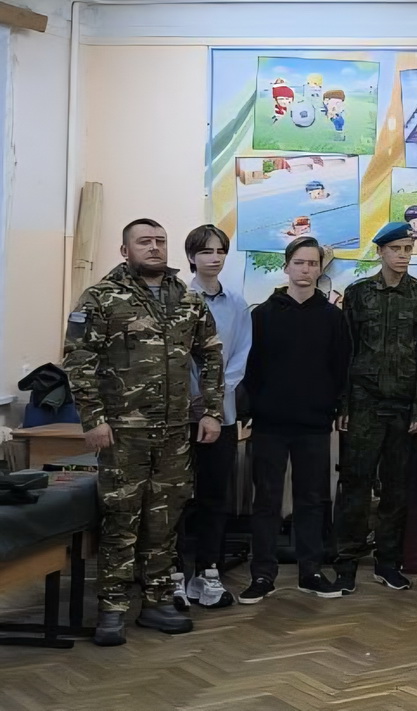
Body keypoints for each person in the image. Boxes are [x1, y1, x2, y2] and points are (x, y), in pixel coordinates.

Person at [63, 217, 225, 645]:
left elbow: (211, 355)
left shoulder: (187, 298)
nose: (154, 247)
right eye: (144, 242)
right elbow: (78, 360)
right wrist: (93, 419)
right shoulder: (101, 297)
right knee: (121, 520)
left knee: (164, 521)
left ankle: (156, 602)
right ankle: (112, 609)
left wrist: (211, 411)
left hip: (174, 433)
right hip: (123, 433)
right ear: (125, 250)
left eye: (160, 241)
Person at [238, 237, 351, 604]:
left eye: (312, 263)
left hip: (314, 424)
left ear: (320, 268)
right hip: (269, 424)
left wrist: (336, 408)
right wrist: (249, 411)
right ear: (286, 266)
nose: (305, 270)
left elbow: (341, 367)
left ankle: (310, 571)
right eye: (299, 263)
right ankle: (262, 574)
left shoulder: (332, 317)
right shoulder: (263, 315)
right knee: (266, 501)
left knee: (312, 500)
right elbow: (250, 368)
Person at [333, 223, 417, 594]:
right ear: (380, 252)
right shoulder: (358, 293)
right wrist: (344, 404)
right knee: (355, 486)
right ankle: (346, 563)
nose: (403, 255)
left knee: (396, 490)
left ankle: (388, 563)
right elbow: (345, 353)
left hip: (403, 408)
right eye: (396, 249)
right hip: (363, 405)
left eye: (408, 249)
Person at [180, 224, 251, 610]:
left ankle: (208, 572)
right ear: (192, 257)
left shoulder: (237, 304)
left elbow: (239, 356)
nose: (214, 258)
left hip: (221, 414)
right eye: (206, 251)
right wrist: (193, 397)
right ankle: (175, 574)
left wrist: (214, 397)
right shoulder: (179, 299)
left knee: (214, 496)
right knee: (176, 498)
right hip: (179, 416)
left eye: (220, 251)